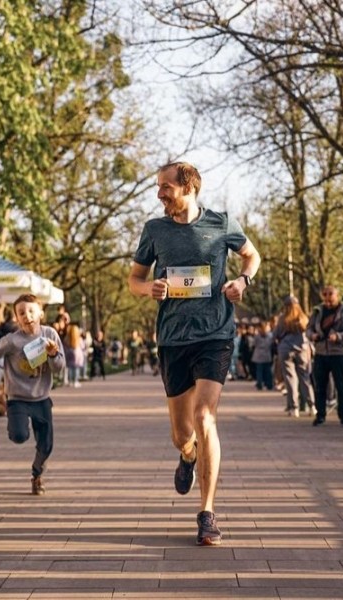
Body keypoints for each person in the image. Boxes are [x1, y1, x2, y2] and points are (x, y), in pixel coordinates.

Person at [128, 161, 261, 546]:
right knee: (182, 434)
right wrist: (147, 288)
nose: (159, 194)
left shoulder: (221, 223)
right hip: (173, 339)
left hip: (215, 334)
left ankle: (207, 513)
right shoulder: (155, 230)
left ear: (188, 186)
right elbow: (134, 279)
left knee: (206, 418)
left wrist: (242, 280)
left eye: (165, 187)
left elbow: (252, 256)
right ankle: (187, 457)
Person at [0, 294, 66, 495]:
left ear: (40, 312)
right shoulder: (12, 341)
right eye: (21, 312)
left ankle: (37, 475)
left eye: (31, 311)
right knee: (19, 436)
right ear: (16, 317)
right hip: (17, 399)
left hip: (41, 398)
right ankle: (16, 425)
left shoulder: (50, 334)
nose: (27, 316)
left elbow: (59, 368)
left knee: (47, 446)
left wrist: (52, 355)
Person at [306, 285, 343, 426]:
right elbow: (308, 329)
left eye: (331, 294)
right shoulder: (318, 311)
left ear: (337, 295)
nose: (328, 297)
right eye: (325, 294)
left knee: (341, 385)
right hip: (321, 352)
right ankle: (320, 414)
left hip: (338, 353)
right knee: (320, 385)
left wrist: (339, 336)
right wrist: (313, 335)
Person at [274, 295, 315, 417]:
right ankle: (312, 406)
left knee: (290, 379)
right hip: (302, 349)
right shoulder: (303, 318)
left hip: (286, 350)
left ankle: (294, 408)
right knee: (305, 378)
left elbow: (275, 334)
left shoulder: (282, 319)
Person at [251, 321, 274, 391]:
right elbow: (271, 343)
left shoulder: (257, 336)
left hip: (259, 354)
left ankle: (259, 384)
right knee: (268, 370)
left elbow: (254, 344)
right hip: (267, 354)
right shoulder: (269, 336)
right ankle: (269, 384)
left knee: (259, 371)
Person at [63, 322, 84, 387]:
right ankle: (75, 381)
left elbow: (64, 346)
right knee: (76, 368)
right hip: (77, 354)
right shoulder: (79, 338)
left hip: (69, 353)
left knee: (70, 368)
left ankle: (70, 381)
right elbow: (83, 346)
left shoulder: (67, 338)